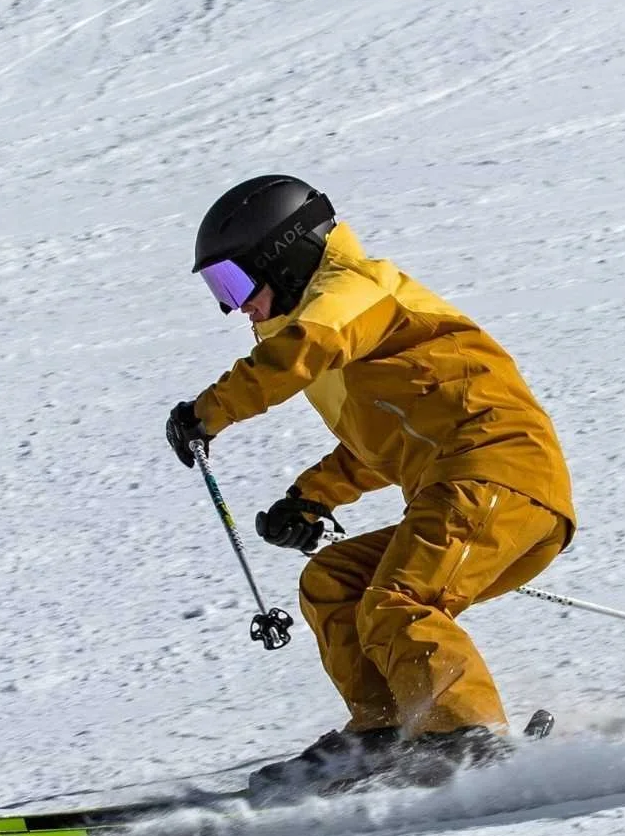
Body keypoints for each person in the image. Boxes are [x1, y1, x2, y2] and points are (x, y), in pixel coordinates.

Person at [165, 175, 575, 798]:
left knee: (399, 601)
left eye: (234, 283)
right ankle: (386, 727)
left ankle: (466, 736)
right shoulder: (349, 333)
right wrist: (312, 495)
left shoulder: (354, 292)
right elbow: (381, 442)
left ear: (285, 255)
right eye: (217, 291)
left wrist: (209, 411)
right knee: (334, 582)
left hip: (499, 472)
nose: (234, 307)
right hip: (463, 483)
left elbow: (300, 353)